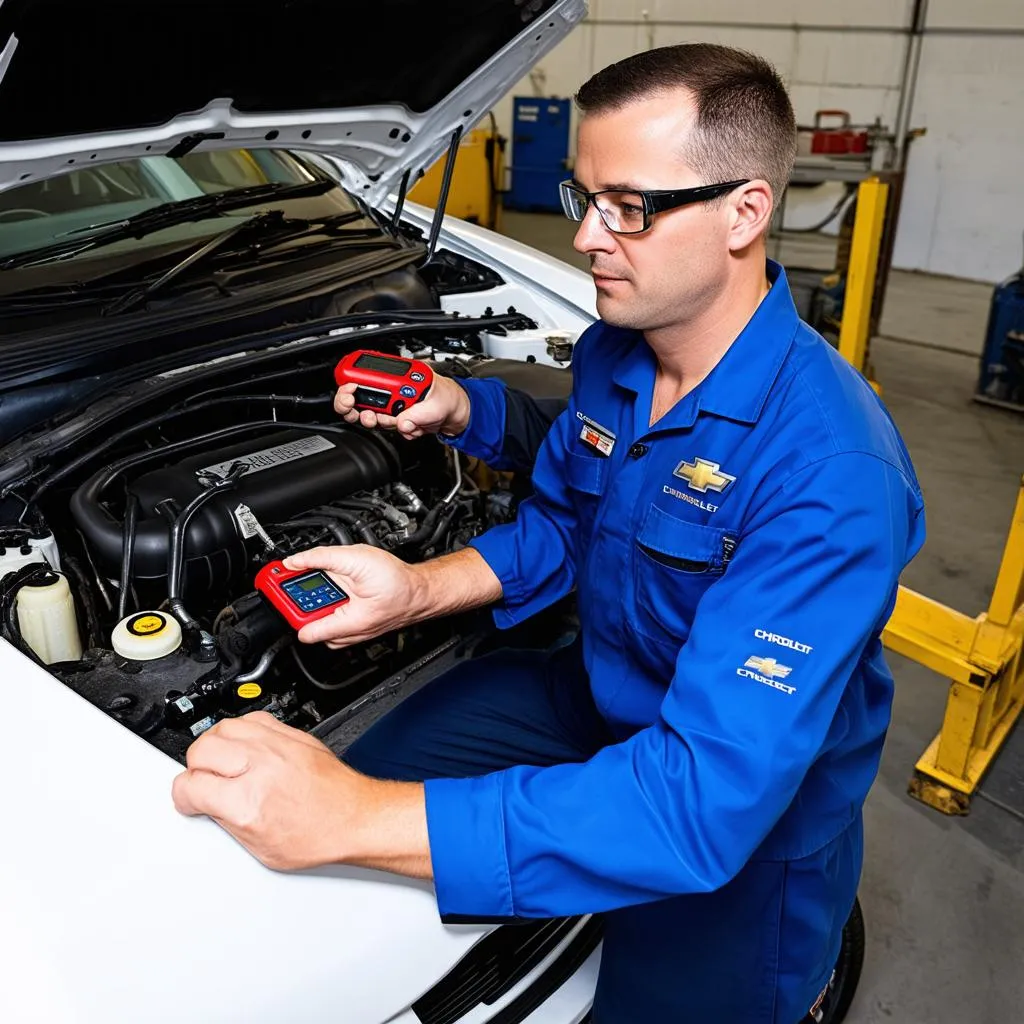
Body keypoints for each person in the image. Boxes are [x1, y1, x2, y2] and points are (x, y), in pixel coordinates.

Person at [172, 44, 925, 1023]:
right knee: (358, 779)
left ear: (745, 210)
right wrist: (417, 586)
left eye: (628, 207)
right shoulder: (621, 347)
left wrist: (349, 820)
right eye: (582, 197)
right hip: (598, 691)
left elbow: (694, 803)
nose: (585, 239)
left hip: (743, 821)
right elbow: (571, 522)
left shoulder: (830, 474)